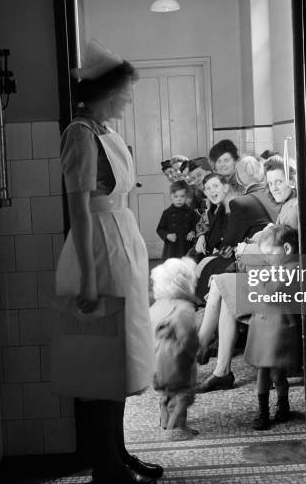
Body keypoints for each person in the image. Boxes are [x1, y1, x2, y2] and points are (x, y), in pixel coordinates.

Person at [57, 38, 162, 484]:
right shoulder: (79, 133)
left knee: (118, 359)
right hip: (98, 250)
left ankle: (118, 453)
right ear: (104, 91)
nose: (129, 97)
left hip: (121, 244)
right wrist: (88, 276)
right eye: (125, 90)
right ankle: (106, 467)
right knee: (102, 364)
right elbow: (78, 209)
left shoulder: (107, 132)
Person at [194, 155, 281, 302]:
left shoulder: (240, 203)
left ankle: (204, 305)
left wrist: (214, 254)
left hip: (254, 260)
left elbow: (228, 242)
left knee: (205, 265)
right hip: (274, 255)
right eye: (207, 188)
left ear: (238, 178)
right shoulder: (273, 196)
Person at [244, 225, 301, 430]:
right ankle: (263, 411)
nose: (266, 259)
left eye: (270, 254)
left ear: (286, 249)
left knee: (277, 373)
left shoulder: (294, 268)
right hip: (262, 326)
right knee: (263, 371)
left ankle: (283, 405)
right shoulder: (273, 269)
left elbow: (271, 291)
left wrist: (261, 280)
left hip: (278, 329)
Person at [149, 258, 199, 436]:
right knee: (182, 394)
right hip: (175, 362)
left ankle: (164, 419)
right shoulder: (184, 308)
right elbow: (188, 337)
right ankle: (177, 429)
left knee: (165, 392)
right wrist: (194, 352)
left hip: (154, 363)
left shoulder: (155, 307)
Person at [190, 172, 229, 268]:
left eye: (215, 186)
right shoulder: (211, 211)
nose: (212, 191)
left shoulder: (229, 209)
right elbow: (206, 228)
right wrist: (202, 236)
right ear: (205, 193)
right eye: (208, 188)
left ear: (225, 188)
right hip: (210, 252)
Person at [156, 181, 198, 260]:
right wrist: (167, 235)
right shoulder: (167, 213)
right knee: (173, 268)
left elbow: (196, 226)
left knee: (187, 266)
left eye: (182, 196)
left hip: (187, 245)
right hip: (172, 248)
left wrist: (193, 232)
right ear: (171, 196)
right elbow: (160, 229)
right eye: (176, 196)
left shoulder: (191, 212)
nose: (179, 199)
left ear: (186, 197)